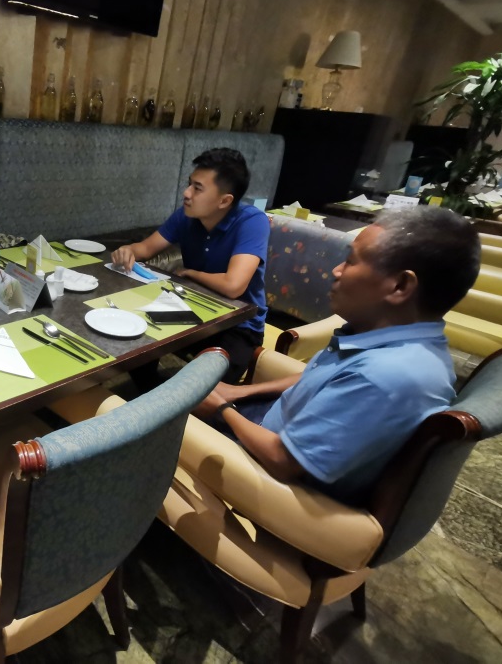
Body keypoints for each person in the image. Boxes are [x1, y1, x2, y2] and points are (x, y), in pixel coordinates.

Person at [196, 207, 480, 503]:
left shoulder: (386, 376)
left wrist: (221, 409)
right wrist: (240, 392)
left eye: (351, 261)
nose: (337, 271)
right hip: (273, 420)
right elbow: (324, 378)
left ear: (400, 286)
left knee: (171, 410)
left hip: (273, 474)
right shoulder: (391, 337)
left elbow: (283, 460)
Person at [111, 148, 269, 383]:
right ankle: (152, 396)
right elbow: (145, 248)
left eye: (197, 188)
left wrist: (191, 273)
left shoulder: (252, 222)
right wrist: (128, 250)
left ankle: (176, 401)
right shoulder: (186, 216)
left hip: (238, 326)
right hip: (192, 310)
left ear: (225, 200)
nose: (186, 193)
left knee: (206, 386)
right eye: (189, 184)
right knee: (135, 343)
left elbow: (233, 285)